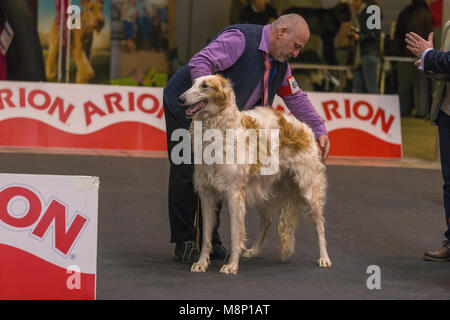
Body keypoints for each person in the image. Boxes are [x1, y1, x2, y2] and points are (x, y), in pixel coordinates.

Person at [163, 14, 330, 264]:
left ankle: (211, 240)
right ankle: (186, 241)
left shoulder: (280, 63)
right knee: (186, 171)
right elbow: (201, 62)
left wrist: (319, 128)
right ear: (282, 32)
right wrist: (204, 100)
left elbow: (295, 97)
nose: (296, 53)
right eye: (296, 46)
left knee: (224, 173)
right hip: (186, 107)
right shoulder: (239, 39)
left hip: (224, 120)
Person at [405, 20, 450, 261]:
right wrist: (429, 64)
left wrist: (430, 55)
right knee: (449, 184)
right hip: (447, 113)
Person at [394, 0, 433, 117]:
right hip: (424, 54)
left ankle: (404, 111)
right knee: (423, 86)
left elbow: (399, 34)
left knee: (405, 85)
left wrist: (402, 51)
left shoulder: (406, 13)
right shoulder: (427, 14)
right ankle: (423, 111)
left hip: (407, 54)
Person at [349, 0, 381, 94]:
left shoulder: (372, 9)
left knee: (371, 88)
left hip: (369, 54)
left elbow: (374, 34)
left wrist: (359, 37)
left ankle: (376, 107)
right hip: (362, 54)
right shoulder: (363, 11)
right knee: (358, 87)